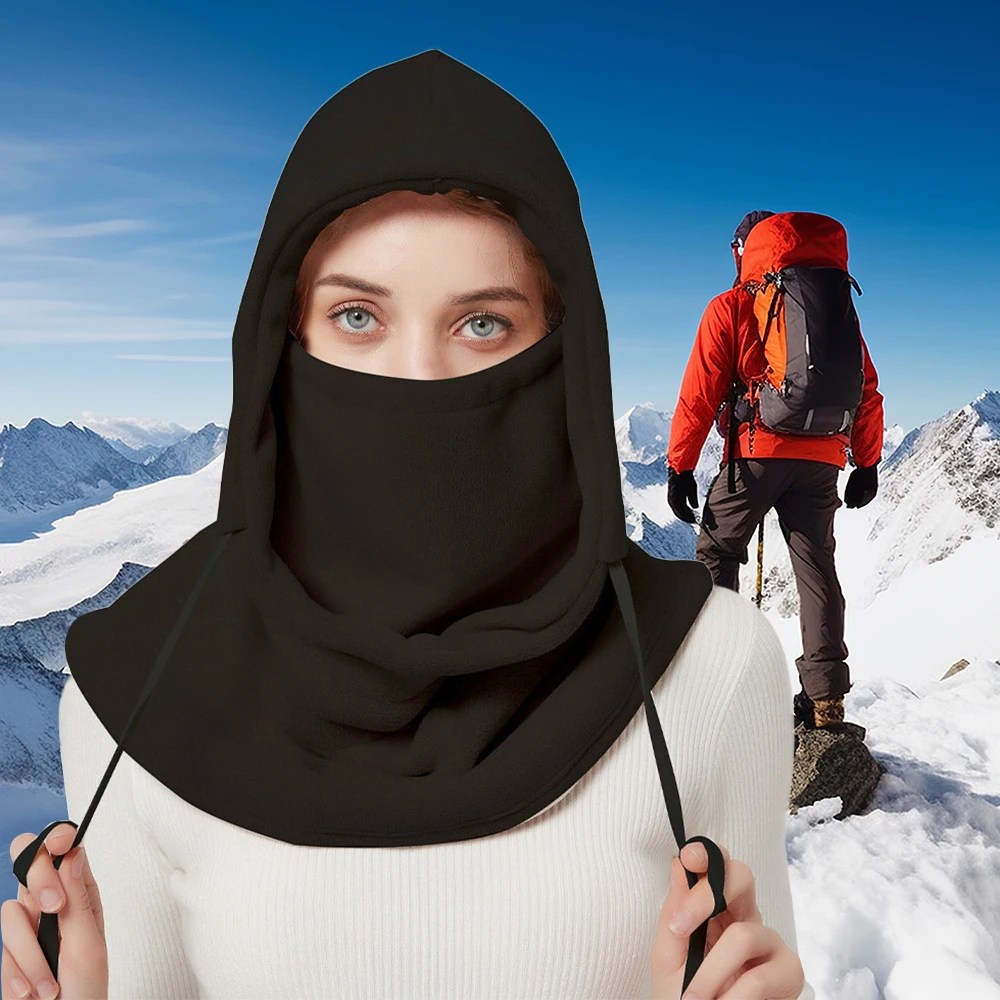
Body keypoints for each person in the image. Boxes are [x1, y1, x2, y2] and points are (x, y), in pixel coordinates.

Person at [5, 52, 814, 1000]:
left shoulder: (712, 669)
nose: (418, 381)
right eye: (357, 315)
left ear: (561, 350)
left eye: (483, 324)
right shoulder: (128, 698)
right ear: (282, 338)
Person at [666, 210, 885, 731]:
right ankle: (826, 700)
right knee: (817, 568)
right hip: (824, 457)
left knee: (717, 552)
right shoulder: (833, 309)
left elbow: (699, 394)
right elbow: (866, 385)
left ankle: (713, 684)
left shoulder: (732, 305)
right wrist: (867, 461)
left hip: (757, 452)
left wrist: (680, 466)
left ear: (745, 250)